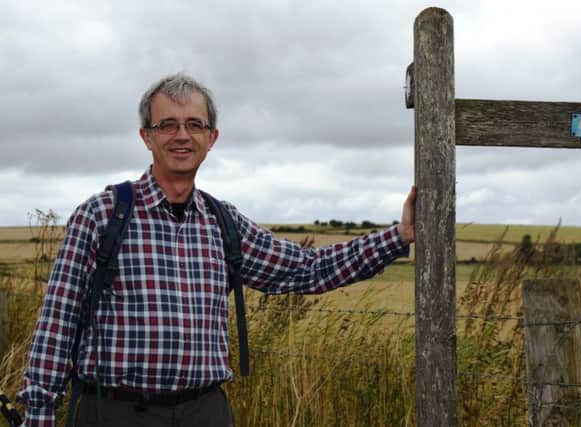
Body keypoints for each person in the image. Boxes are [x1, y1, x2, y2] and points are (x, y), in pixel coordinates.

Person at [17, 73, 416, 427]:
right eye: (167, 124)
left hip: (204, 412)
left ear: (212, 138)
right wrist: (38, 413)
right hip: (115, 411)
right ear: (147, 136)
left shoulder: (223, 222)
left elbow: (306, 269)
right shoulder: (102, 215)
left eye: (195, 124)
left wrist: (397, 236)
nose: (182, 135)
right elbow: (57, 323)